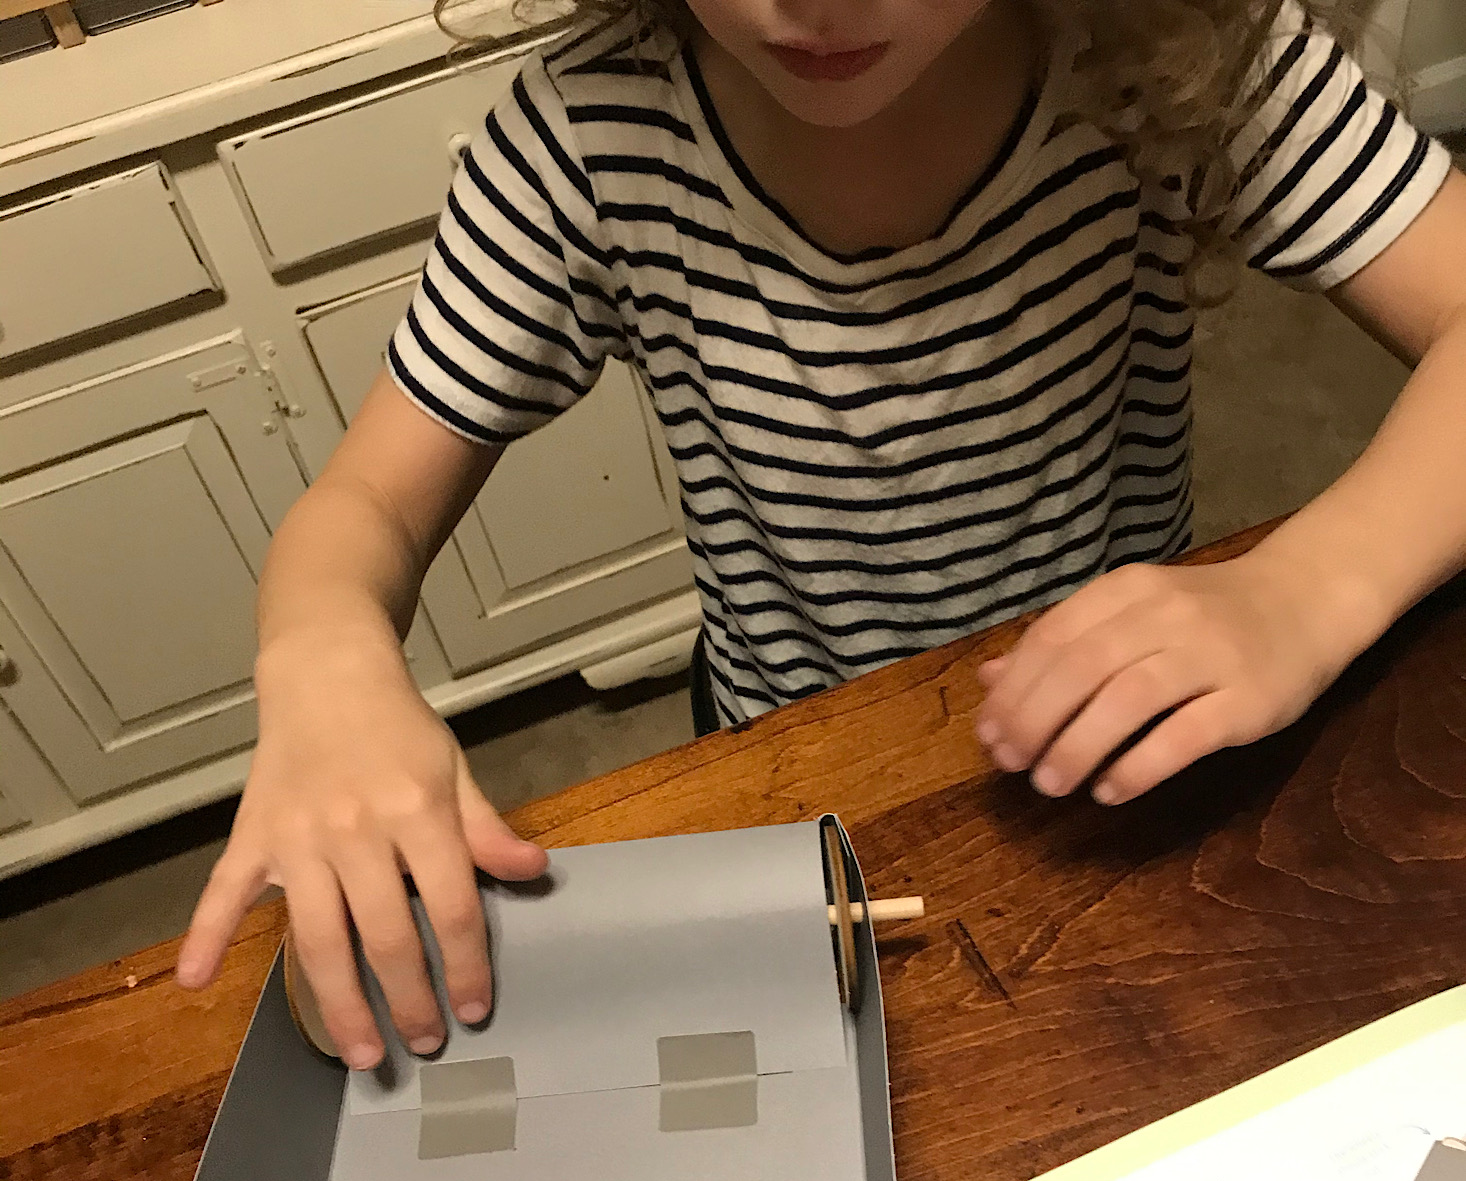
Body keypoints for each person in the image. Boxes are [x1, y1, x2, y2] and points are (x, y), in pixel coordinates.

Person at [177, 0, 1466, 1068]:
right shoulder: (586, 140)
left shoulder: (1176, 56)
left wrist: (1309, 584)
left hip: (1128, 736)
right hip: (793, 757)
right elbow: (366, 504)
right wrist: (321, 651)